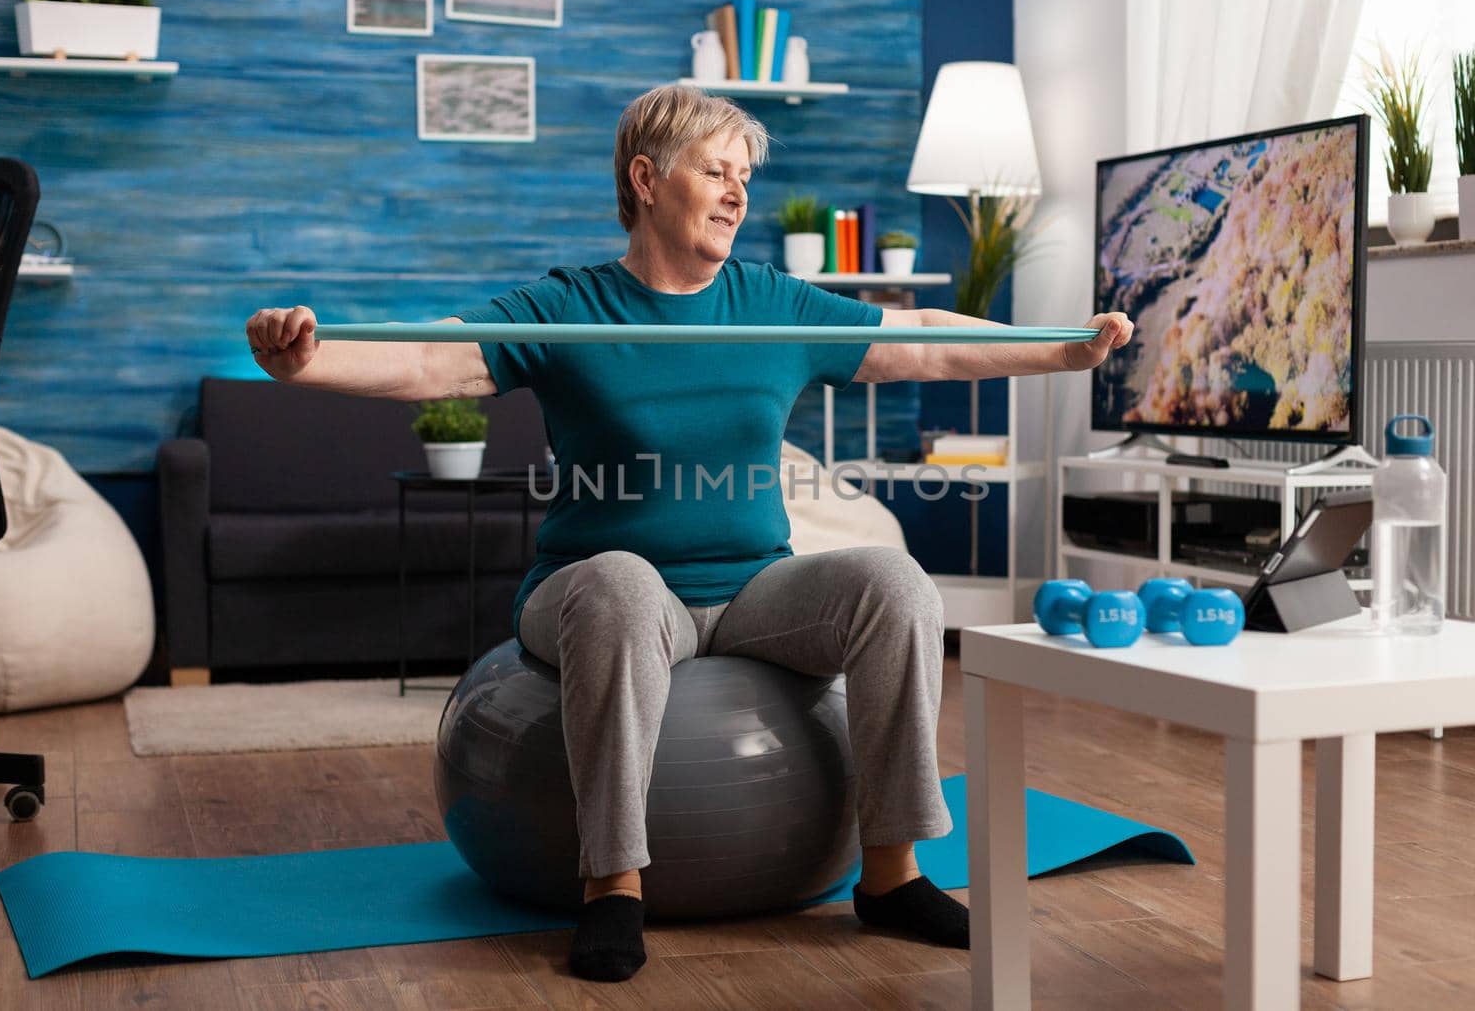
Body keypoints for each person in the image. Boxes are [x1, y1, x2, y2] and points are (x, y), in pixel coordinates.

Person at [246, 85, 1133, 983]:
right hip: (593, 592)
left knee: (894, 584)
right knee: (623, 580)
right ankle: (613, 886)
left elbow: (930, 338)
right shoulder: (573, 305)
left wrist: (1065, 351)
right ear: (646, 177)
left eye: (743, 175)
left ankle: (893, 874)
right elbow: (430, 356)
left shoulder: (769, 304)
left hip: (754, 591)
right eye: (716, 170)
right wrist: (306, 359)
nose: (738, 192)